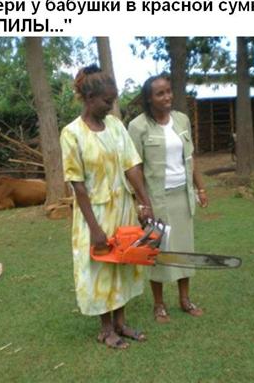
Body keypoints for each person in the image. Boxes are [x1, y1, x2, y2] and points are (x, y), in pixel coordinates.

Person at [60, 65, 154, 349]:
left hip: (122, 208)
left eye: (113, 100)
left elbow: (131, 165)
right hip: (95, 213)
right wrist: (95, 229)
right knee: (100, 268)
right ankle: (105, 329)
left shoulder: (115, 126)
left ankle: (121, 323)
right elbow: (77, 185)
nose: (111, 106)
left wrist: (145, 202)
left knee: (123, 262)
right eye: (107, 101)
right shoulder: (72, 133)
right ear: (89, 98)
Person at [128, 74, 208, 323]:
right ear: (149, 99)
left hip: (182, 196)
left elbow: (190, 158)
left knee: (184, 248)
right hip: (156, 200)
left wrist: (200, 188)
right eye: (160, 93)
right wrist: (143, 203)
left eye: (168, 91)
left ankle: (185, 299)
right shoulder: (138, 126)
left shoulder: (181, 120)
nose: (167, 97)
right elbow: (134, 167)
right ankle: (159, 305)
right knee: (158, 251)